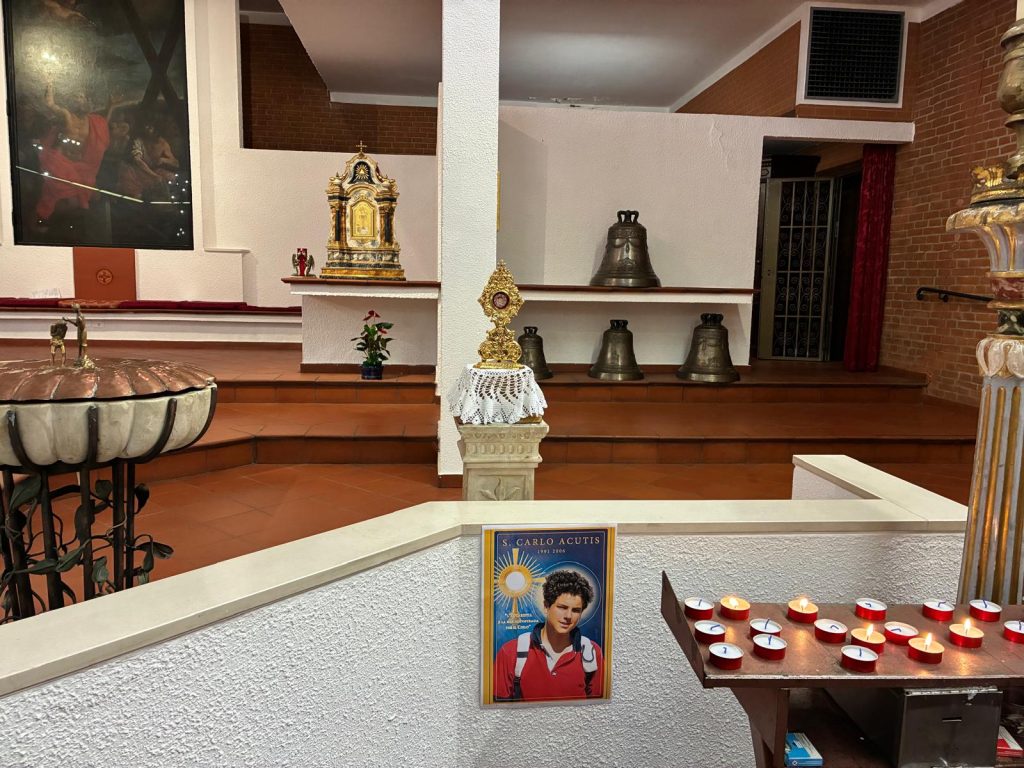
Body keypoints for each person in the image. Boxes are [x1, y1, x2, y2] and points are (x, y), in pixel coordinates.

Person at [493, 570, 604, 702]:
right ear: (546, 606)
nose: (568, 616)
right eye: (562, 607)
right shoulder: (510, 652)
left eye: (575, 610)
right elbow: (498, 710)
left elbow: (598, 708)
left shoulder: (592, 653)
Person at [34, 81, 112, 222]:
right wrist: (49, 84)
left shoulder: (93, 121)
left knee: (93, 196)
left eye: (81, 97)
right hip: (61, 164)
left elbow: (103, 127)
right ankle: (45, 219)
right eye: (76, 97)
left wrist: (111, 106)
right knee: (69, 200)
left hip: (81, 167)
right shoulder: (67, 115)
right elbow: (50, 104)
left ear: (87, 101)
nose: (78, 100)